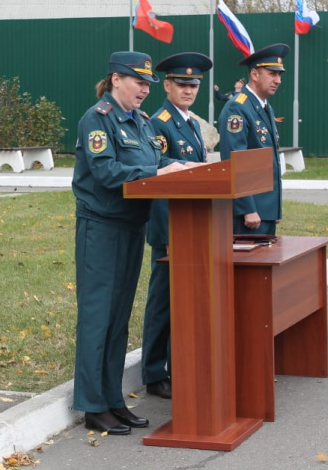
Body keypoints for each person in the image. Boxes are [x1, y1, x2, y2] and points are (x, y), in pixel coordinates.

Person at [72, 51, 191, 435]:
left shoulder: (141, 123)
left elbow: (156, 163)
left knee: (119, 319)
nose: (144, 89)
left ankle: (112, 400)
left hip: (131, 226)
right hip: (101, 228)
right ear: (115, 80)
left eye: (147, 84)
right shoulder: (97, 119)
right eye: (137, 81)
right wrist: (159, 169)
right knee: (97, 318)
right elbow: (106, 171)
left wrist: (182, 169)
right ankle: (92, 405)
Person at [142, 52, 213, 400]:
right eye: (182, 84)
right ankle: (154, 372)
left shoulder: (191, 122)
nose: (189, 90)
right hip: (170, 227)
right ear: (167, 85)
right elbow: (157, 174)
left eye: (194, 85)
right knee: (163, 302)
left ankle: (177, 363)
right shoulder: (160, 122)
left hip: (191, 224)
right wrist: (166, 234)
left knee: (182, 301)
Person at [218, 44, 288, 235]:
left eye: (280, 75)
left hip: (265, 209)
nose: (278, 80)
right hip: (250, 214)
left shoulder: (264, 106)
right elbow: (235, 160)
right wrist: (247, 208)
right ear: (255, 74)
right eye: (272, 74)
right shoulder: (238, 108)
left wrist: (275, 207)